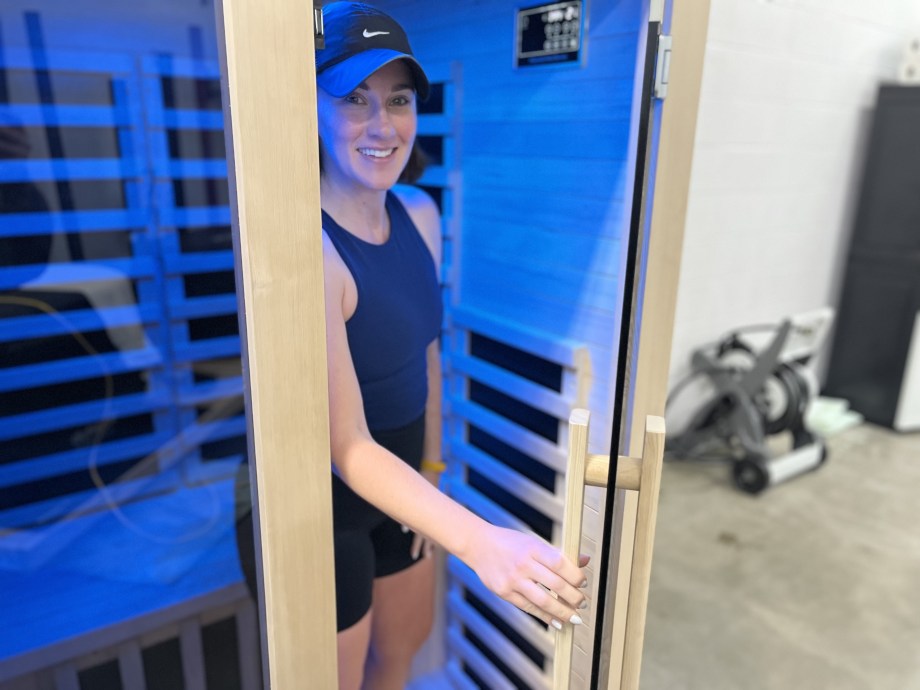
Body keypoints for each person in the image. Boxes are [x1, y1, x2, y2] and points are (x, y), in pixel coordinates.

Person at [268, 3, 590, 688]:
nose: (382, 125)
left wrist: (433, 469)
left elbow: (426, 353)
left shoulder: (419, 209)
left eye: (399, 99)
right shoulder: (313, 251)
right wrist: (474, 537)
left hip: (405, 481)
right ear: (314, 111)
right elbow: (348, 445)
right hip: (322, 501)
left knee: (402, 655)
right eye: (354, 101)